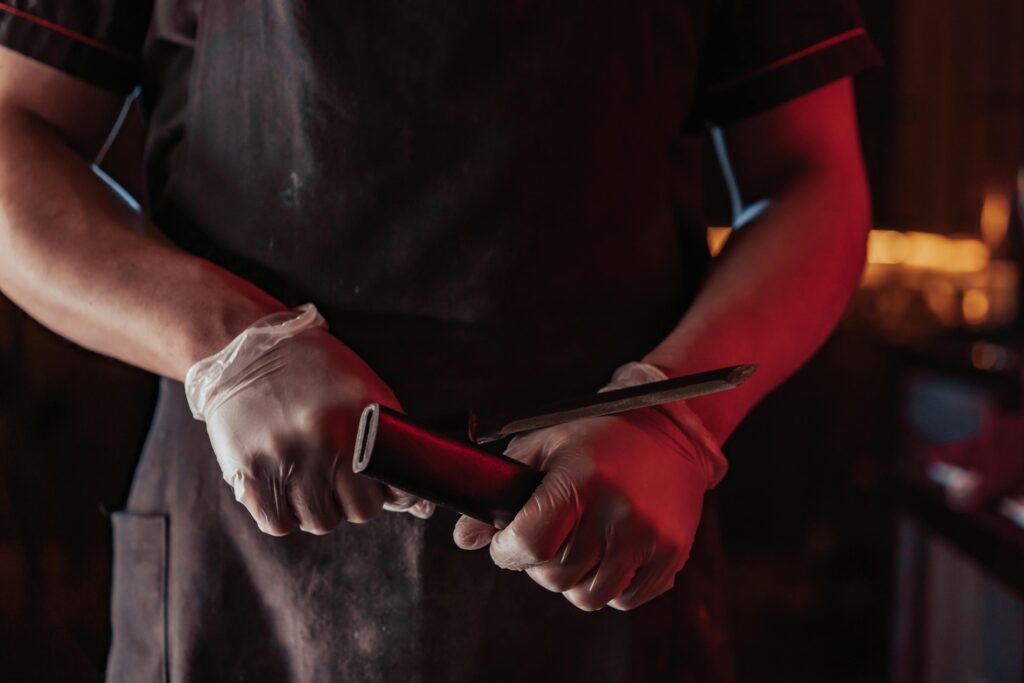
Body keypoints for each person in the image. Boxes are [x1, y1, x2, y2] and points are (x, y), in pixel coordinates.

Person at [0, 2, 879, 681]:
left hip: (603, 549)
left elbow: (813, 181)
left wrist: (678, 415)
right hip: (235, 559)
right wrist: (230, 342)